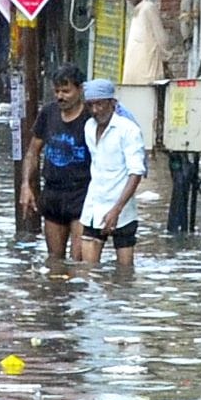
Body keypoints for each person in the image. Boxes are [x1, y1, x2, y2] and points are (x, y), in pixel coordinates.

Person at [19, 63, 91, 261]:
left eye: (66, 91)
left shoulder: (90, 118)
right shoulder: (49, 113)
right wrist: (26, 185)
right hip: (52, 193)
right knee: (54, 260)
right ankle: (54, 291)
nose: (60, 96)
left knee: (78, 261)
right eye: (57, 91)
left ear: (80, 89)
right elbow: (33, 151)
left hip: (82, 194)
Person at [77, 80, 147, 269]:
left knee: (124, 273)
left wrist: (116, 209)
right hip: (94, 206)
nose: (95, 110)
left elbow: (136, 172)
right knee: (88, 271)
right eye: (91, 105)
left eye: (100, 104)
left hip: (122, 211)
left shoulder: (128, 130)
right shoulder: (89, 128)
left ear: (112, 103)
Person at [122, 0, 172, 86]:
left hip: (147, 75)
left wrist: (165, 61)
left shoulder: (148, 8)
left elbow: (162, 40)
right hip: (133, 74)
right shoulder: (135, 11)